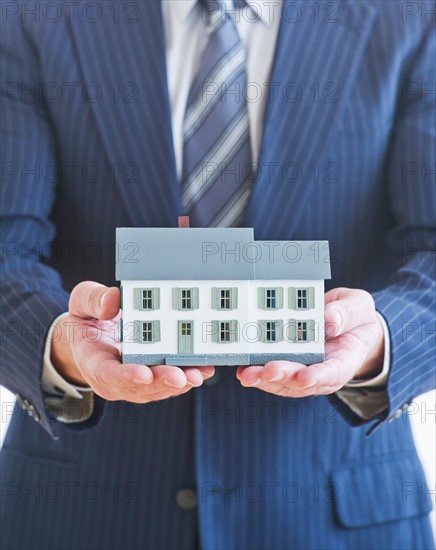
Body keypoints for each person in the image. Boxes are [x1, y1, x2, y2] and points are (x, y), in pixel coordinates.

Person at [1, 1, 435, 548]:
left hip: (335, 512)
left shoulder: (410, 15)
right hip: (80, 512)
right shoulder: (35, 14)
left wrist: (380, 342)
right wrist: (60, 346)